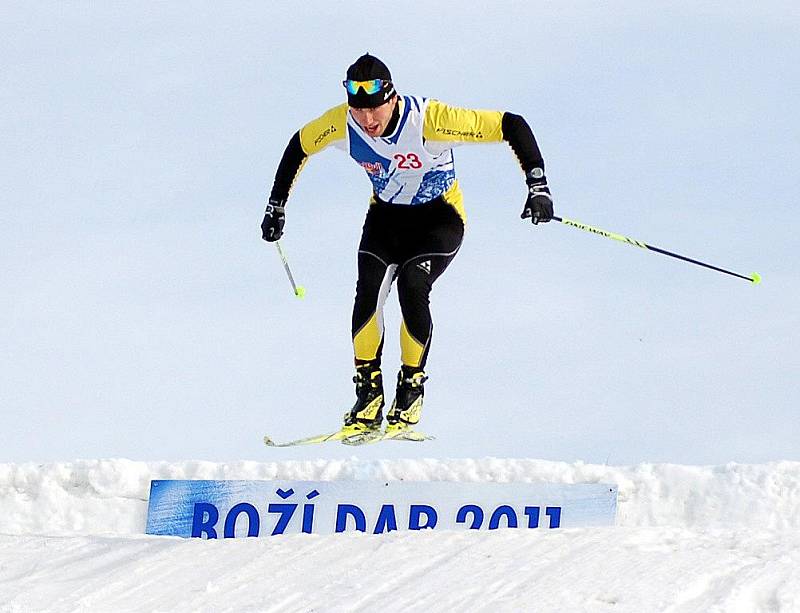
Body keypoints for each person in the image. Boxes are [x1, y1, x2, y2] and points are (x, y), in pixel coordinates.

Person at [262, 53, 554, 437]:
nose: (368, 121)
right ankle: (368, 395)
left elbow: (510, 124)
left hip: (439, 219)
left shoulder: (429, 120)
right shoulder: (342, 123)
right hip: (386, 220)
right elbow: (299, 146)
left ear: (393, 98)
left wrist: (538, 186)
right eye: (359, 111)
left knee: (411, 286)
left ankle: (411, 389)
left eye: (375, 110)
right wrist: (276, 205)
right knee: (368, 289)